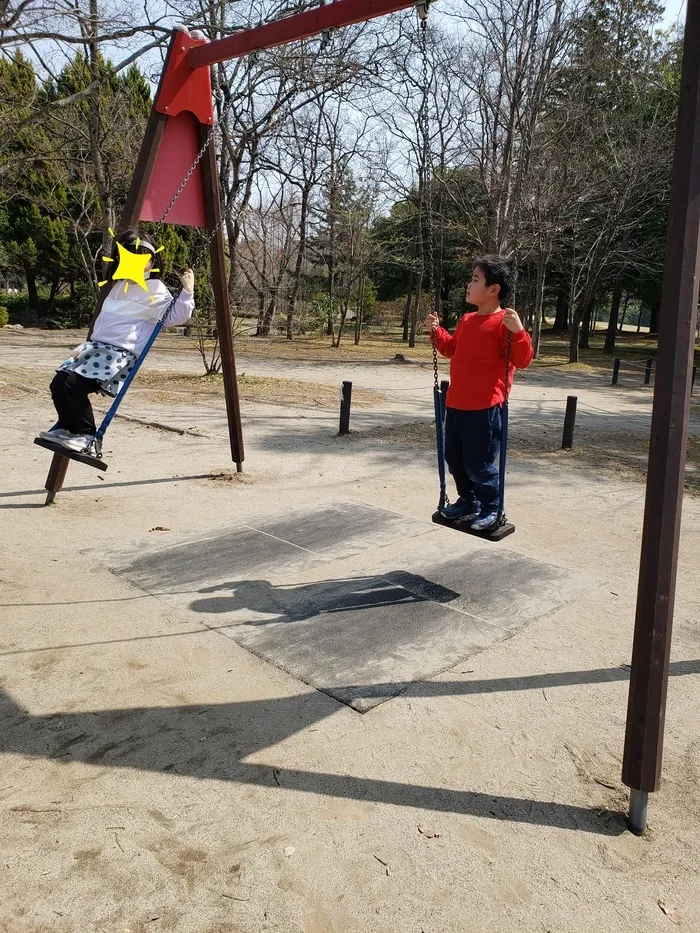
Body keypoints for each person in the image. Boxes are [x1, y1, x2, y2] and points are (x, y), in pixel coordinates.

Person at [38, 229, 195, 456]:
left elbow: (174, 317)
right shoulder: (117, 286)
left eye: (144, 260)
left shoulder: (155, 288)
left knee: (74, 385)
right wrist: (85, 345)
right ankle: (67, 428)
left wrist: (187, 291)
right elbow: (104, 321)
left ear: (151, 264)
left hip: (119, 353)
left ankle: (87, 435)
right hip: (95, 349)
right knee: (58, 383)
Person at [424, 254, 533, 531]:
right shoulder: (468, 320)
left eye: (475, 280)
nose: (468, 285)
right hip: (457, 404)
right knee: (455, 459)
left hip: (484, 409)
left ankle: (493, 506)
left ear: (493, 290)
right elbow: (451, 349)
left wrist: (519, 331)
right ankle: (467, 500)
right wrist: (437, 332)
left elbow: (523, 359)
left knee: (479, 464)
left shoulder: (503, 323)